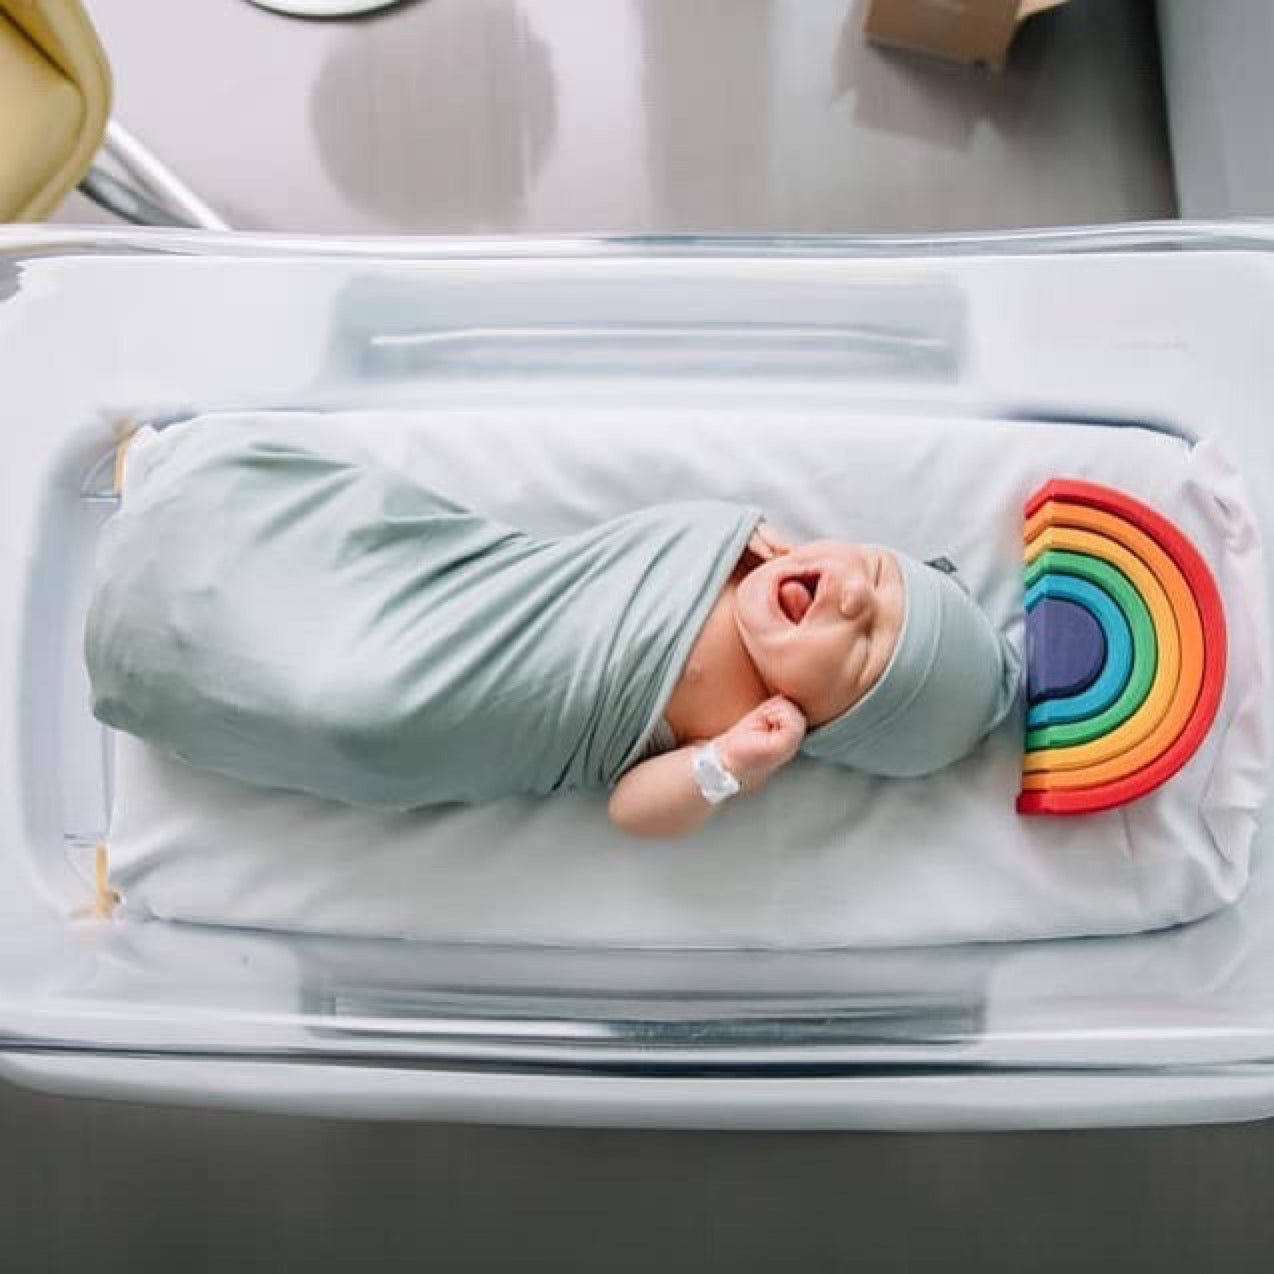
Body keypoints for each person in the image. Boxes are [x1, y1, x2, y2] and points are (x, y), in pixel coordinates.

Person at [85, 419, 1019, 840]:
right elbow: (628, 548)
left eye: (861, 653)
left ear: (823, 722)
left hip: (443, 706)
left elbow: (633, 813)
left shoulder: (751, 728)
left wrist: (726, 767)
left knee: (352, 705)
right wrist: (729, 536)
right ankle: (193, 524)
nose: (853, 597)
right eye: (883, 575)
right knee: (355, 526)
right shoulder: (745, 548)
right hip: (458, 584)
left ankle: (152, 650)